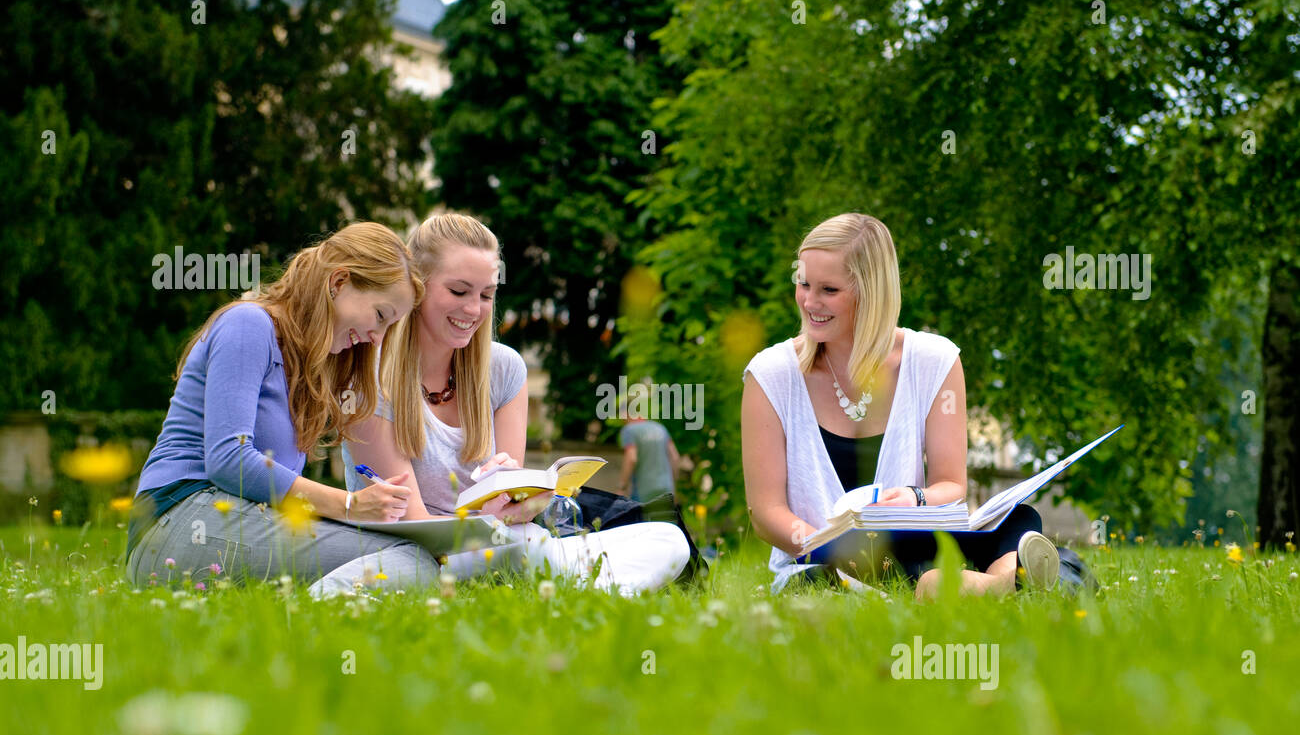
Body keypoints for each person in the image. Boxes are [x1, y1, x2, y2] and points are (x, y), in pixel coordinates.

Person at [341, 212, 690, 596]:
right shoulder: (369, 374)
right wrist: (498, 531)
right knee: (530, 555)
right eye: (459, 292)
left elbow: (513, 514)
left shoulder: (504, 368)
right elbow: (413, 524)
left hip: (505, 545)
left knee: (668, 539)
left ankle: (579, 589)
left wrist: (520, 500)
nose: (474, 310)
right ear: (417, 289)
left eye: (486, 295)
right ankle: (585, 591)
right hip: (417, 553)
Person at [740, 212, 1060, 598]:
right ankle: (1000, 584)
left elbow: (951, 485)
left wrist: (915, 498)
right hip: (820, 563)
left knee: (1019, 519)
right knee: (821, 584)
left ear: (872, 292)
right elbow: (766, 513)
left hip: (912, 547)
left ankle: (992, 583)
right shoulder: (771, 374)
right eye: (803, 284)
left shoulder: (934, 361)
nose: (809, 302)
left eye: (829, 290)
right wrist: (838, 551)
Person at [125, 222, 441, 597]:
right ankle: (318, 612)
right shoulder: (248, 324)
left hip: (232, 518)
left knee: (411, 557)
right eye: (380, 316)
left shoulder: (304, 363)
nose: (378, 338)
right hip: (180, 519)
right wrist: (350, 505)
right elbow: (229, 460)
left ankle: (306, 608)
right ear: (338, 282)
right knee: (410, 561)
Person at [615, 402, 679, 507]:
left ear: (625, 414)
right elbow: (675, 457)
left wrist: (622, 487)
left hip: (643, 490)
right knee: (662, 522)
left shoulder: (629, 430)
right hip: (667, 488)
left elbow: (631, 458)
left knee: (642, 522)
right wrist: (673, 484)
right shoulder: (660, 428)